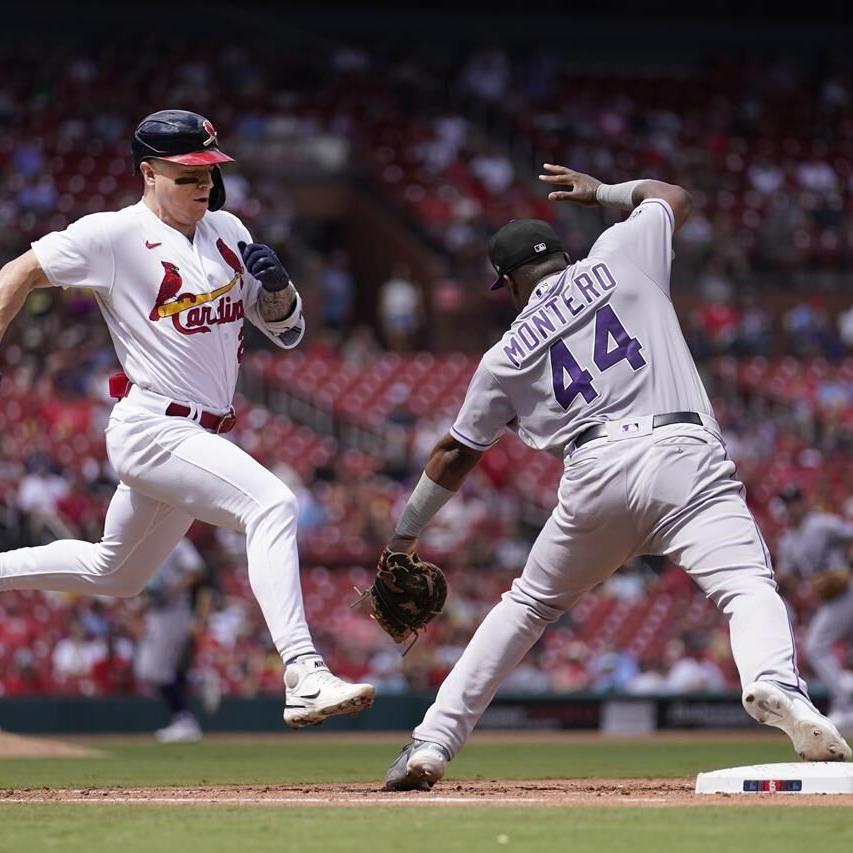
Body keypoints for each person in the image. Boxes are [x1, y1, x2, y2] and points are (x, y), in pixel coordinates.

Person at [382, 164, 851, 790]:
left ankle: (432, 745)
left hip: (595, 470)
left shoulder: (502, 356)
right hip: (684, 453)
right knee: (745, 586)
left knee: (525, 608)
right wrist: (602, 192)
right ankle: (772, 682)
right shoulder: (620, 253)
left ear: (510, 285)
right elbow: (676, 196)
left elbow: (453, 453)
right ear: (565, 255)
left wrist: (403, 538)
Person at [0, 109, 374, 728]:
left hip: (197, 432)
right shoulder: (113, 235)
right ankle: (304, 672)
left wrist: (279, 291)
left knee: (114, 573)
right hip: (153, 426)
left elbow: (287, 332)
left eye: (209, 171)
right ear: (149, 173)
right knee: (272, 504)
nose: (204, 184)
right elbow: (19, 270)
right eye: (187, 174)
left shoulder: (227, 227)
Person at [775, 486, 853, 731]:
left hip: (846, 591)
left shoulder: (822, 524)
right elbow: (788, 576)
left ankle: (845, 705)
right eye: (788, 503)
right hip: (831, 599)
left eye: (795, 501)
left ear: (804, 502)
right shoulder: (788, 541)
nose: (792, 507)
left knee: (817, 645)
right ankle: (846, 696)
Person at [134, 536, 207, 744]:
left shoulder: (176, 541)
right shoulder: (145, 543)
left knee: (159, 670)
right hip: (156, 611)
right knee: (147, 670)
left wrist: (171, 589)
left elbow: (197, 571)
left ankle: (185, 720)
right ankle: (197, 682)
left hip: (174, 611)